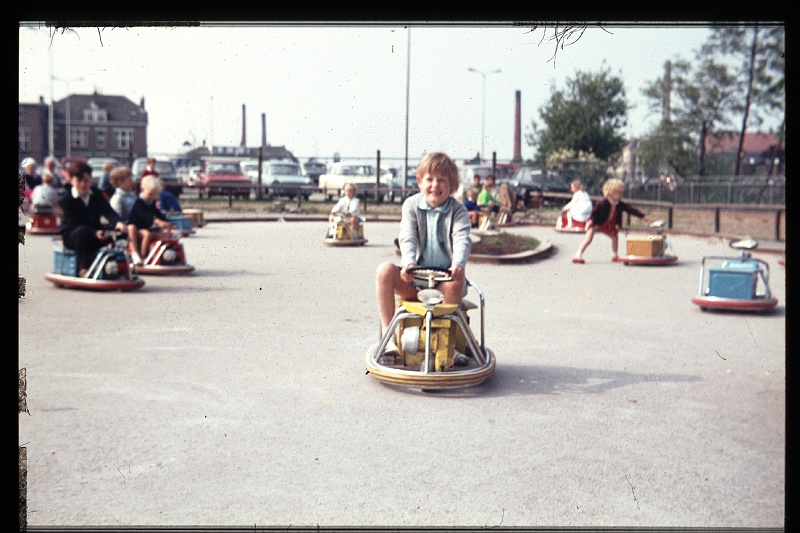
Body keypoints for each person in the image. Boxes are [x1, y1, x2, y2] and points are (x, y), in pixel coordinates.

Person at [375, 152, 471, 359]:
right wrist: (408, 262)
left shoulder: (458, 211)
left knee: (456, 281)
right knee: (384, 271)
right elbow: (407, 236)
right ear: (419, 181)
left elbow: (462, 238)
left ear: (451, 185)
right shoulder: (411, 205)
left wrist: (458, 264)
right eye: (430, 179)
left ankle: (448, 344)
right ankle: (388, 337)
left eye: (442, 181)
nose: (435, 185)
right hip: (415, 280)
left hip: (445, 281)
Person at [59, 161, 127, 277]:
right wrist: (94, 233)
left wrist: (118, 223)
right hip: (74, 236)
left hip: (96, 233)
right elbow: (75, 223)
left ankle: (117, 265)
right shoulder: (67, 199)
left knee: (121, 232)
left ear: (91, 179)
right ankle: (83, 267)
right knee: (82, 232)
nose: (83, 184)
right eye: (78, 181)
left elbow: (108, 211)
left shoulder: (96, 194)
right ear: (72, 181)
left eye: (86, 180)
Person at [572, 178, 649, 264]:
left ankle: (615, 255)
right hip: (595, 222)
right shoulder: (603, 203)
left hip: (606, 224)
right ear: (611, 192)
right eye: (618, 193)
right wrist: (593, 223)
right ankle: (578, 255)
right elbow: (594, 213)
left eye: (621, 193)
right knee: (588, 239)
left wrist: (642, 216)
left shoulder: (619, 203)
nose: (621, 195)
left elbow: (630, 209)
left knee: (615, 237)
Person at [126, 175, 174, 265]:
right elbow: (145, 215)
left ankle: (165, 255)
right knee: (146, 234)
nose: (152, 197)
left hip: (146, 227)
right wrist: (157, 221)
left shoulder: (151, 203)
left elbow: (158, 214)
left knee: (162, 234)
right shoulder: (138, 203)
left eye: (154, 195)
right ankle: (141, 256)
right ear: (142, 189)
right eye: (150, 194)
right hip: (136, 228)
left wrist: (168, 222)